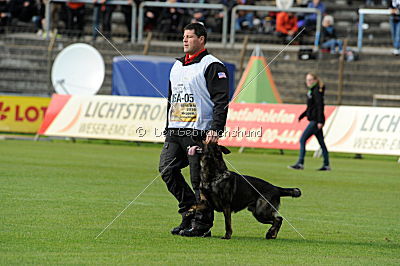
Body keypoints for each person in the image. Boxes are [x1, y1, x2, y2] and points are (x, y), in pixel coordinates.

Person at [159, 23, 230, 237]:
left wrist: (216, 129)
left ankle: (202, 225)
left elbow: (221, 101)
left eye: (189, 36)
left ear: (201, 39)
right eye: (184, 36)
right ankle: (189, 211)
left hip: (199, 132)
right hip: (176, 130)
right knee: (167, 170)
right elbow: (172, 99)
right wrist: (167, 126)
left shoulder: (212, 65)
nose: (185, 40)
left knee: (199, 180)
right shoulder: (176, 66)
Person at [289, 73, 331, 171]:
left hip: (316, 121)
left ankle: (300, 163)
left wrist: (320, 121)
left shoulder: (316, 91)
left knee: (302, 140)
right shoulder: (312, 90)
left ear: (315, 80)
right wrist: (303, 115)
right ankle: (326, 164)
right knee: (321, 143)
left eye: (310, 80)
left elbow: (320, 106)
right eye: (307, 80)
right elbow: (311, 107)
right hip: (315, 120)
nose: (308, 82)